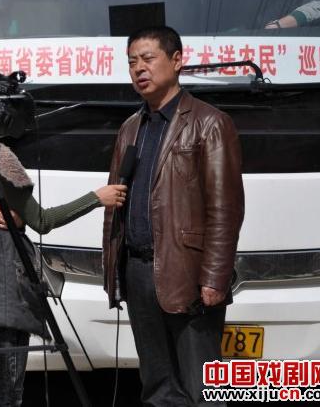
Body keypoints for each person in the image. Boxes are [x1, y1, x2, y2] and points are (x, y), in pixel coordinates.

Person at [0, 78, 128, 406]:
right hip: (7, 295)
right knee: (6, 394)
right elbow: (43, 222)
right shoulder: (1, 160)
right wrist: (97, 197)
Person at [102, 26, 244, 406]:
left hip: (188, 271)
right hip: (137, 271)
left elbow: (225, 210)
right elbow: (118, 201)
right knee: (157, 385)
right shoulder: (131, 128)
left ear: (177, 60)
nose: (139, 69)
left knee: (202, 388)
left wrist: (213, 278)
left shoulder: (210, 123)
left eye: (148, 59)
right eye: (132, 62)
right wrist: (115, 271)